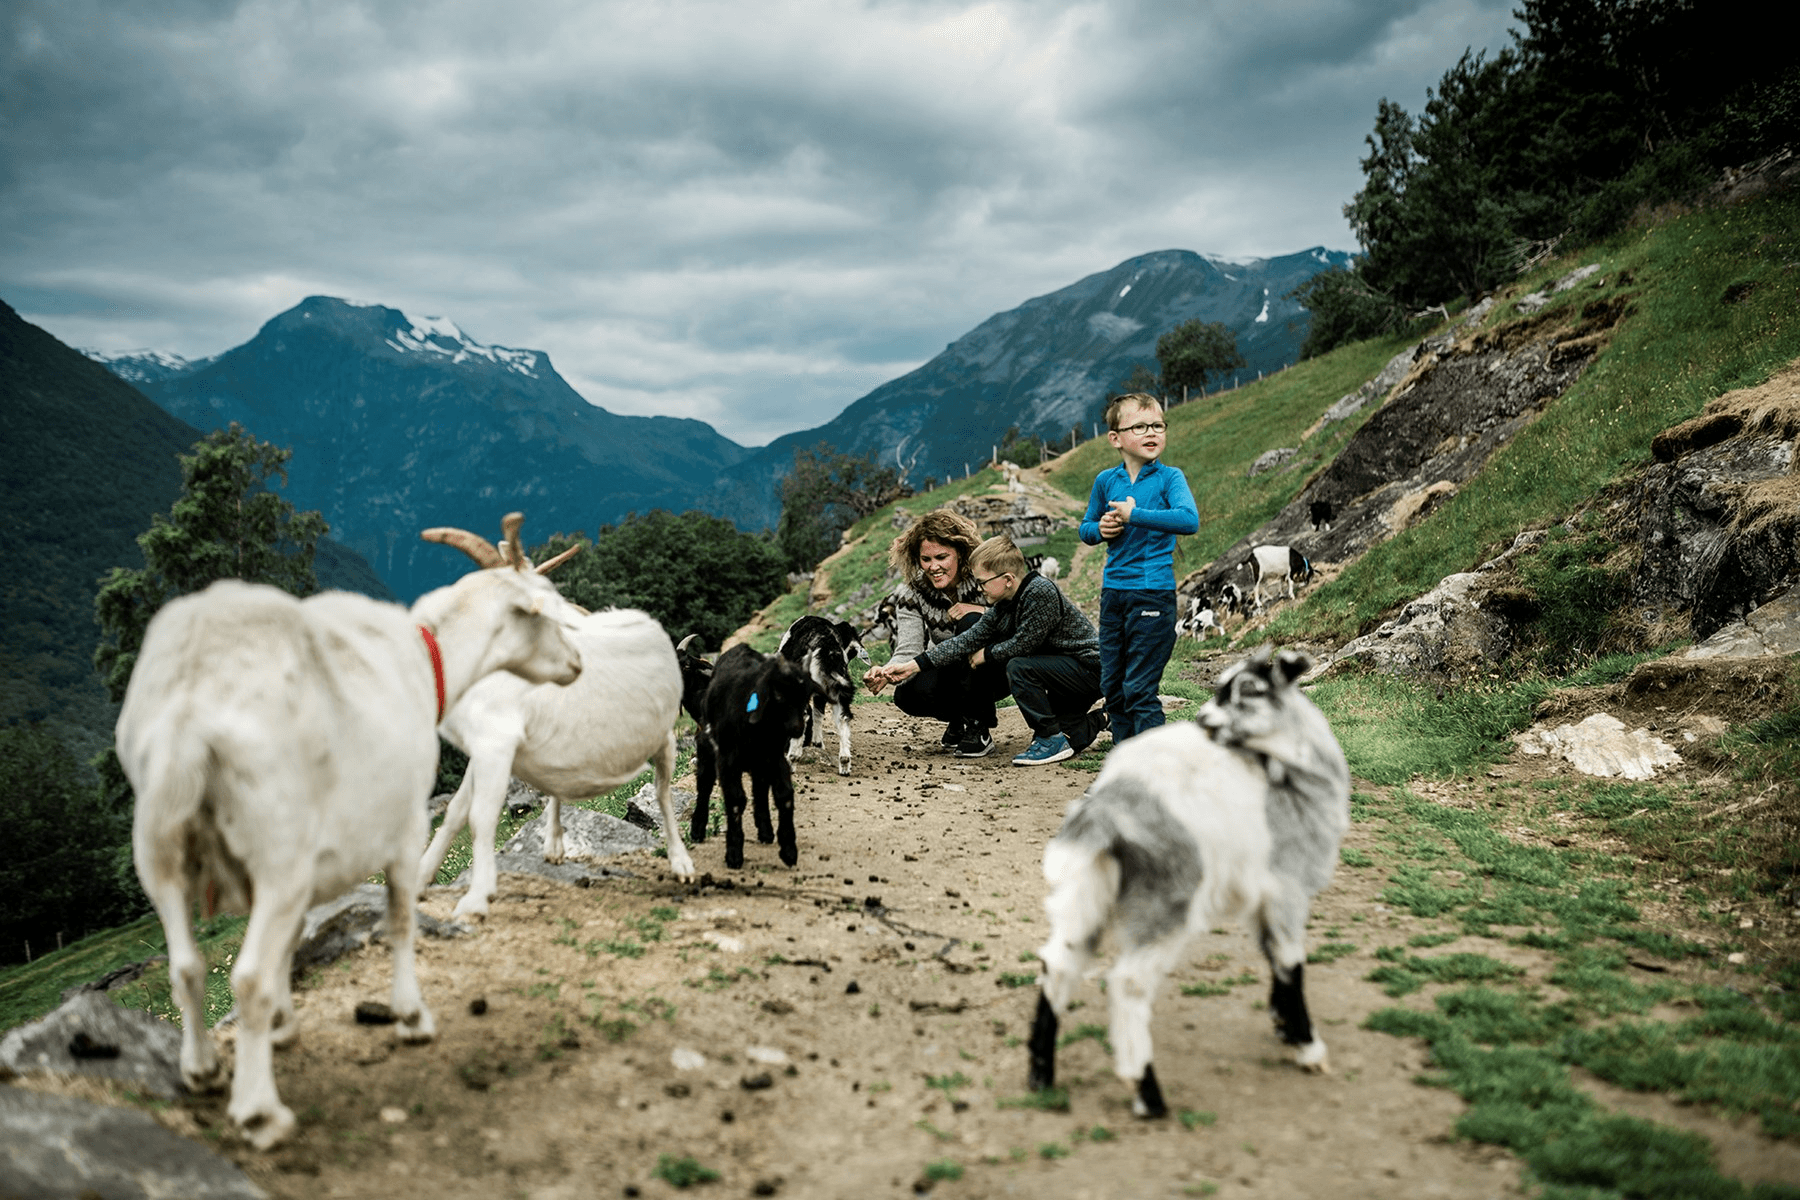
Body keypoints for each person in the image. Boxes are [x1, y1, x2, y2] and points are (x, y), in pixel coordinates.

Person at [871, 536, 1104, 766]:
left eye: (982, 582)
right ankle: (1106, 717)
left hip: (1087, 669)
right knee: (1071, 736)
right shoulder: (1003, 604)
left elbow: (1024, 644)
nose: (979, 588)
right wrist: (911, 666)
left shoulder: (1040, 592)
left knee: (1019, 666)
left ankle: (1049, 738)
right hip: (1057, 675)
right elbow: (965, 641)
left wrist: (987, 654)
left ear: (1008, 579)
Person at [1079, 392, 1199, 744]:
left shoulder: (1169, 478)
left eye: (1158, 425)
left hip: (1153, 593)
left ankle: (1153, 775)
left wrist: (1136, 516)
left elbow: (1188, 519)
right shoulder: (1106, 480)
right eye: (1140, 426)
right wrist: (1100, 530)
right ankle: (1124, 768)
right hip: (1113, 594)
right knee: (1113, 687)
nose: (1152, 433)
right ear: (1115, 438)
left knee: (1139, 689)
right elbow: (1085, 528)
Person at [862, 509, 1008, 757]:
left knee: (971, 621)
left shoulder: (984, 577)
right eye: (926, 559)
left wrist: (980, 610)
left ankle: (978, 727)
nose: (934, 567)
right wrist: (886, 671)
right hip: (950, 669)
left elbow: (1016, 618)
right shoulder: (912, 595)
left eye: (942, 557)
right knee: (907, 696)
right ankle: (960, 719)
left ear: (960, 554)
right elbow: (909, 649)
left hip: (996, 668)